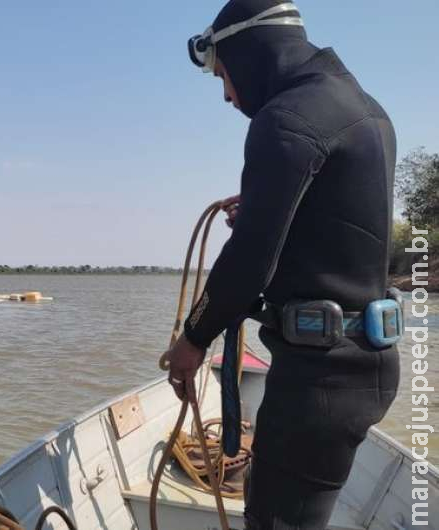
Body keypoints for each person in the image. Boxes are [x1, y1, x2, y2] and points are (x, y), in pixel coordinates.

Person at [163, 1, 400, 528]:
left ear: (250, 53)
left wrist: (193, 338)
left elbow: (250, 260)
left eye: (223, 75)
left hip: (322, 379)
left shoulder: (286, 119)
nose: (227, 96)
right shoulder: (366, 108)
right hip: (366, 365)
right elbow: (340, 232)